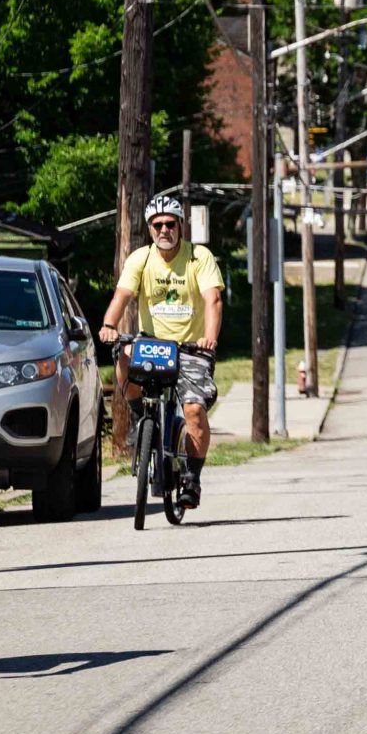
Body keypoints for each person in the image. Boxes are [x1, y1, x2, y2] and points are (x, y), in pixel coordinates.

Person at [98, 190, 223, 508]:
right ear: (149, 229)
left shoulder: (199, 257)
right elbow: (122, 296)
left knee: (194, 411)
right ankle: (142, 417)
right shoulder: (140, 258)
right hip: (151, 344)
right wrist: (109, 326)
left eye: (170, 224)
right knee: (122, 354)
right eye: (157, 225)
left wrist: (209, 338)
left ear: (180, 226)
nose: (164, 230)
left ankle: (192, 479)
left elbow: (213, 300)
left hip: (191, 349)